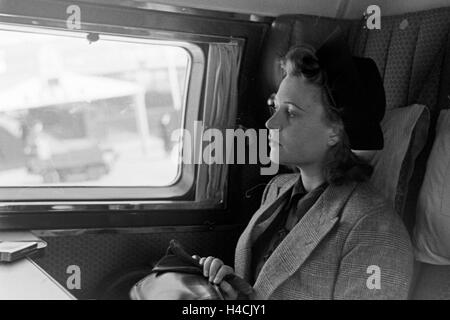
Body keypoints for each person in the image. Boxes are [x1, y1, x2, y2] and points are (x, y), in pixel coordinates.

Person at [195, 29, 414, 300]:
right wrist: (232, 287)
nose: (270, 123)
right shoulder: (277, 189)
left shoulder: (375, 230)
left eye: (290, 112)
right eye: (275, 106)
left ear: (335, 131)